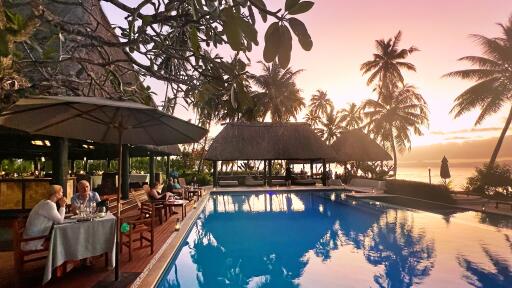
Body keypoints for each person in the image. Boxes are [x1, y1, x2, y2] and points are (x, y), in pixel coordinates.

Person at [22, 185, 67, 251]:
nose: (63, 194)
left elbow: (56, 220)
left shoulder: (44, 202)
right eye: (61, 192)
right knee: (61, 240)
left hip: (30, 235)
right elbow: (60, 221)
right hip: (33, 239)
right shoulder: (49, 205)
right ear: (56, 194)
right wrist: (62, 206)